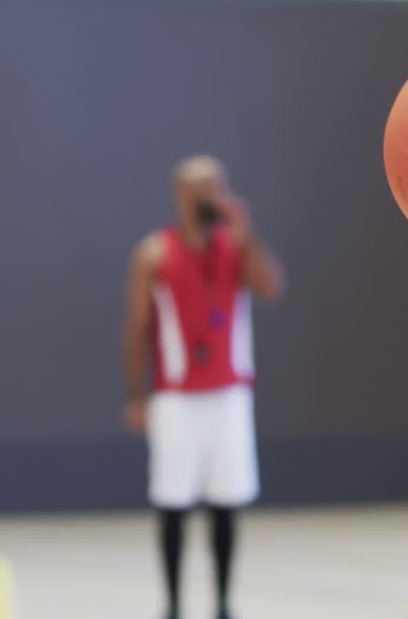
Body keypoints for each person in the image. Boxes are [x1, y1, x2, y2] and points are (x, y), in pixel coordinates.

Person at [122, 155, 285, 619]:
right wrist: (136, 395)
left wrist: (246, 232)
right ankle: (172, 603)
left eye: (219, 186)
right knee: (172, 501)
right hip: (175, 396)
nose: (214, 195)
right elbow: (136, 326)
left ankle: (223, 602)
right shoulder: (154, 252)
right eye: (203, 188)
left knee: (226, 501)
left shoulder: (236, 247)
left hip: (229, 393)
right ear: (180, 194)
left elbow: (271, 286)